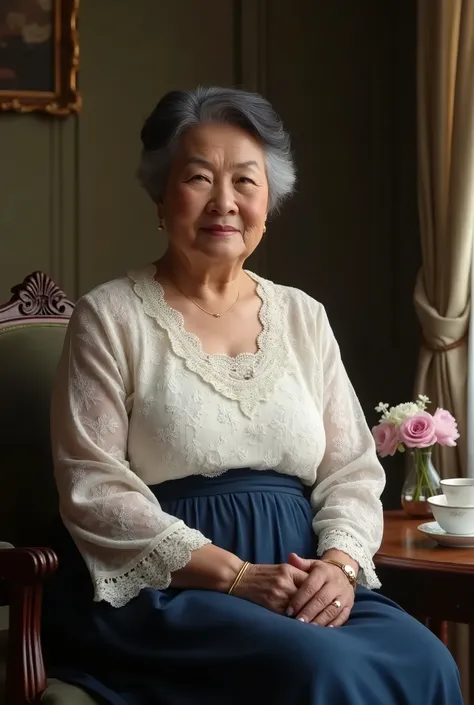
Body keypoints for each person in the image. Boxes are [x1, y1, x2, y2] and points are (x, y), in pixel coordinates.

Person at [42, 86, 463, 705]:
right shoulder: (110, 317)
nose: (225, 202)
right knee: (319, 670)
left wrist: (340, 569)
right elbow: (93, 487)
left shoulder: (302, 316)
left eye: (246, 181)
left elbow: (349, 469)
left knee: (427, 659)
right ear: (161, 196)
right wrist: (237, 576)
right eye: (198, 178)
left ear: (270, 201)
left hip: (300, 574)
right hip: (171, 590)